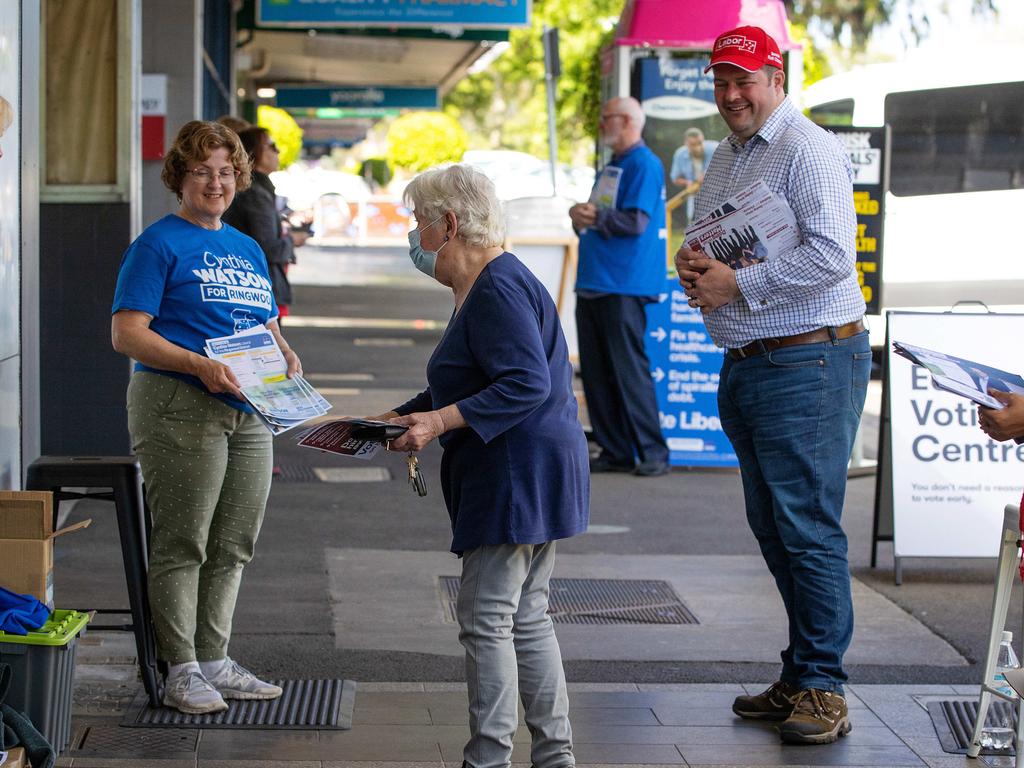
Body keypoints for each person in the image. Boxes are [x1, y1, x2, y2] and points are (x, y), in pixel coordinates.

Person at [675, 25, 870, 745]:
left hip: (809, 361)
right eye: (721, 81)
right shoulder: (728, 154)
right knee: (777, 526)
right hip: (756, 362)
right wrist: (692, 264)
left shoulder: (808, 148)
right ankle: (801, 671)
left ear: (776, 75)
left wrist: (738, 281)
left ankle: (823, 688)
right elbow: (705, 236)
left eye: (743, 81)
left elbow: (831, 258)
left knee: (807, 529)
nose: (730, 95)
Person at [375, 164, 588, 768]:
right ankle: (554, 756)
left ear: (449, 224)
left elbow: (524, 381)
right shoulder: (496, 282)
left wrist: (437, 423)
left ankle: (489, 757)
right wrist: (408, 414)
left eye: (419, 222)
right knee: (526, 616)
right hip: (536, 470)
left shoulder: (494, 288)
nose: (415, 238)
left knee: (487, 619)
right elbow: (478, 377)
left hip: (512, 476)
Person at [111, 120, 302, 715]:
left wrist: (286, 354)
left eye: (226, 171)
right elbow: (126, 334)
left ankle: (215, 657)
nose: (216, 183)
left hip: (249, 408)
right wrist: (197, 365)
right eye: (203, 171)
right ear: (180, 177)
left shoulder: (245, 247)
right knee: (183, 540)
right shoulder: (157, 244)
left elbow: (265, 327)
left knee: (234, 542)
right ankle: (182, 668)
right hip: (178, 403)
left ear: (240, 177)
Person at [569, 96, 670, 477]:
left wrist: (595, 217)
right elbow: (601, 216)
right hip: (596, 280)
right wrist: (578, 216)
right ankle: (616, 450)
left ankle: (653, 452)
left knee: (629, 371)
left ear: (627, 121)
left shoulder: (644, 163)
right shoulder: (613, 164)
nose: (601, 125)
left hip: (623, 283)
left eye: (606, 118)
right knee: (596, 372)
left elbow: (635, 223)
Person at [223, 126, 307, 320]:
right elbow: (268, 247)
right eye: (271, 146)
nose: (277, 151)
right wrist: (292, 239)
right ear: (253, 153)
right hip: (259, 289)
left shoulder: (257, 191)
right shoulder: (255, 194)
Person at [669, 127, 720, 221]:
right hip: (694, 194)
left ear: (703, 139)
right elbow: (675, 178)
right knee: (694, 224)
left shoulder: (715, 147)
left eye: (700, 143)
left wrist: (708, 174)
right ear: (686, 144)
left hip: (716, 193)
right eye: (693, 145)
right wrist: (687, 183)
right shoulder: (679, 154)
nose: (697, 147)